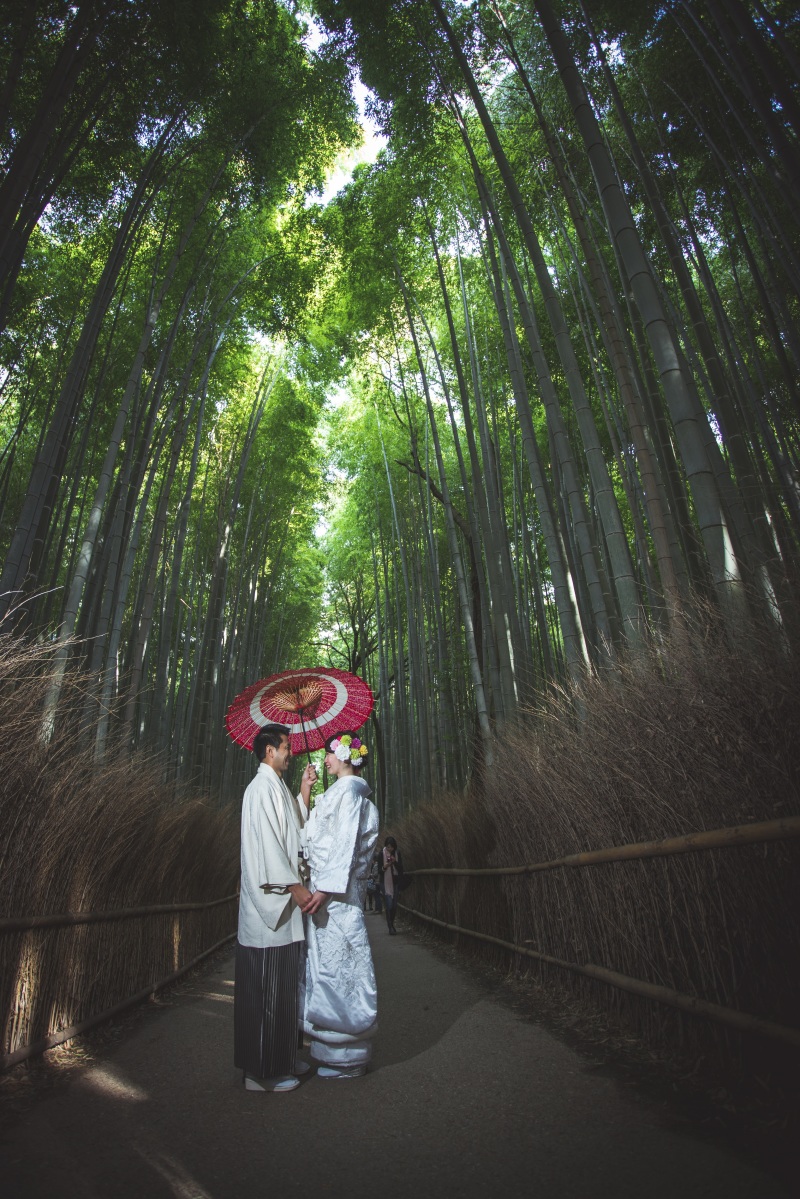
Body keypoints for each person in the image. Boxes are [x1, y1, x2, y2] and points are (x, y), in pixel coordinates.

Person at [234, 723, 316, 1094]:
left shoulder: (276, 786)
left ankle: (282, 1058)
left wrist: (304, 790)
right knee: (264, 990)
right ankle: (259, 1072)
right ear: (270, 750)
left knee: (283, 989)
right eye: (286, 746)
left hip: (283, 907)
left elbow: (292, 829)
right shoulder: (259, 789)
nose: (290, 752)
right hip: (269, 908)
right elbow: (267, 845)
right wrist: (295, 886)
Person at [299, 730, 379, 1079]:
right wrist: (307, 793)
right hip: (332, 896)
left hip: (337, 897)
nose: (326, 760)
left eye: (330, 754)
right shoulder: (346, 793)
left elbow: (344, 845)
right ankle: (334, 1052)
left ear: (346, 755)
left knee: (340, 970)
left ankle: (347, 1059)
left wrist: (325, 888)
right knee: (331, 969)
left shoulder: (349, 793)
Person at [380, 835, 403, 935]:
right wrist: (385, 866)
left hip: (395, 882)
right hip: (385, 883)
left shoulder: (397, 853)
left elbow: (401, 869)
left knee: (394, 905)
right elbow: (380, 871)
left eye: (391, 847)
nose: (390, 849)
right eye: (388, 847)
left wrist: (394, 862)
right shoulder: (382, 854)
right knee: (389, 904)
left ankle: (392, 924)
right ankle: (390, 926)